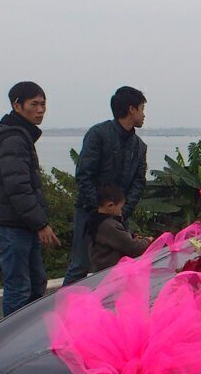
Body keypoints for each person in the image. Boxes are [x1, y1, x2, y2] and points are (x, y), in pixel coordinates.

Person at [0, 81, 61, 316]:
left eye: (43, 104)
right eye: (34, 104)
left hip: (21, 224)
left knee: (36, 283)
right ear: (17, 106)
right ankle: (11, 343)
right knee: (19, 288)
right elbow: (18, 188)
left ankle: (27, 337)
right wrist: (40, 223)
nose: (40, 110)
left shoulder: (21, 135)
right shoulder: (14, 139)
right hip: (12, 226)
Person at [63, 86, 148, 285]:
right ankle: (64, 312)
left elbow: (139, 182)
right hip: (89, 213)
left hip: (119, 215)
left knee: (117, 269)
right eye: (142, 108)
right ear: (131, 109)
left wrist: (122, 211)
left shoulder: (139, 146)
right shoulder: (98, 134)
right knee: (80, 265)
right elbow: (84, 174)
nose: (144, 115)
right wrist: (99, 210)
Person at [87, 184, 149, 273]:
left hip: (101, 272)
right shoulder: (108, 226)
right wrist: (147, 241)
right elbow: (133, 248)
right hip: (111, 274)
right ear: (110, 205)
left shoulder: (95, 221)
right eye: (120, 208)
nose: (121, 211)